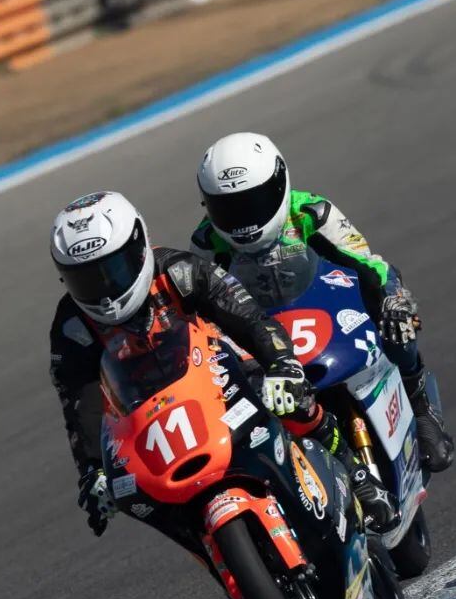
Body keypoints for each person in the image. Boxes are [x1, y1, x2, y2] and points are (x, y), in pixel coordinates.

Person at [48, 190, 399, 541]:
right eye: (87, 280)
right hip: (146, 414)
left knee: (287, 396)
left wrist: (282, 363)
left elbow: (250, 319)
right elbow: (79, 404)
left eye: (113, 269)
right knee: (134, 493)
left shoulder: (180, 271)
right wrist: (92, 470)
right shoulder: (70, 326)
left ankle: (358, 477)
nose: (105, 291)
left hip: (218, 374)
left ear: (139, 247)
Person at [190, 132, 454, 473]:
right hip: (265, 330)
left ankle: (419, 406)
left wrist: (392, 298)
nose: (245, 220)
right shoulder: (207, 241)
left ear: (279, 183)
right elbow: (203, 309)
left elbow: (368, 262)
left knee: (396, 314)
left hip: (327, 306)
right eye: (229, 209)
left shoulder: (312, 211)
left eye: (254, 203)